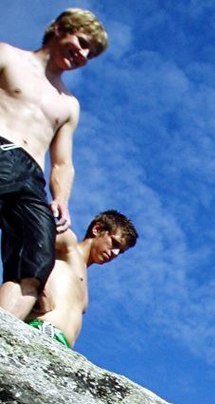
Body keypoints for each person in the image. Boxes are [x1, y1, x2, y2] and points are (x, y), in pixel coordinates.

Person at [0, 10, 108, 320]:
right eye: (82, 42)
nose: (83, 54)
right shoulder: (8, 56)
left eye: (90, 53)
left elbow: (62, 162)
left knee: (36, 261)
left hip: (31, 178)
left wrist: (61, 199)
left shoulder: (68, 104)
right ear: (60, 29)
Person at [26, 209, 138, 348]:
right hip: (41, 330)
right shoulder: (69, 245)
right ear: (97, 229)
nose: (115, 253)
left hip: (63, 348)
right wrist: (39, 286)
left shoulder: (83, 279)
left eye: (120, 251)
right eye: (114, 243)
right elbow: (29, 234)